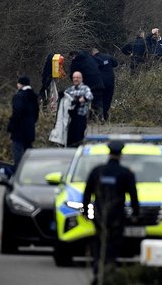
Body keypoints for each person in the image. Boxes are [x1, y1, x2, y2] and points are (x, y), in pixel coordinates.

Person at [83, 140, 138, 283]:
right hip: (117, 217)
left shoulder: (97, 171)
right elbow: (133, 196)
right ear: (121, 154)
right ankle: (109, 271)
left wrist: (86, 211)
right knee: (113, 246)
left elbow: (87, 193)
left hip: (99, 215)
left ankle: (97, 271)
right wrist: (135, 214)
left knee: (99, 243)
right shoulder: (125, 173)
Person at [7, 75, 39, 168]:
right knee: (28, 149)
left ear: (20, 84)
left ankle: (18, 170)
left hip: (19, 128)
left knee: (17, 149)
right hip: (30, 127)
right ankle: (31, 168)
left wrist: (11, 126)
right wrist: (32, 122)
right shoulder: (33, 96)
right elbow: (37, 113)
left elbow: (17, 112)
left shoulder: (19, 96)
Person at [70, 50, 104, 122]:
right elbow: (101, 62)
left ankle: (83, 118)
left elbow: (72, 75)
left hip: (88, 85)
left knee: (82, 100)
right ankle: (99, 118)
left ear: (74, 56)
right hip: (99, 82)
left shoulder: (76, 61)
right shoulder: (90, 57)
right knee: (97, 101)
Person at [63, 71, 93, 147]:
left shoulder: (85, 88)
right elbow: (65, 99)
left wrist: (79, 100)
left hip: (81, 115)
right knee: (70, 135)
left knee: (79, 135)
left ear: (81, 79)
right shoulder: (69, 90)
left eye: (77, 77)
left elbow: (89, 97)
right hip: (71, 117)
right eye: (74, 78)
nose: (76, 79)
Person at [91, 47, 118, 121]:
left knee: (99, 100)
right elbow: (116, 64)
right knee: (108, 98)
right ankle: (105, 115)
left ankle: (99, 116)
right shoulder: (108, 56)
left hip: (99, 83)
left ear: (92, 53)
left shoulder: (92, 59)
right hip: (110, 82)